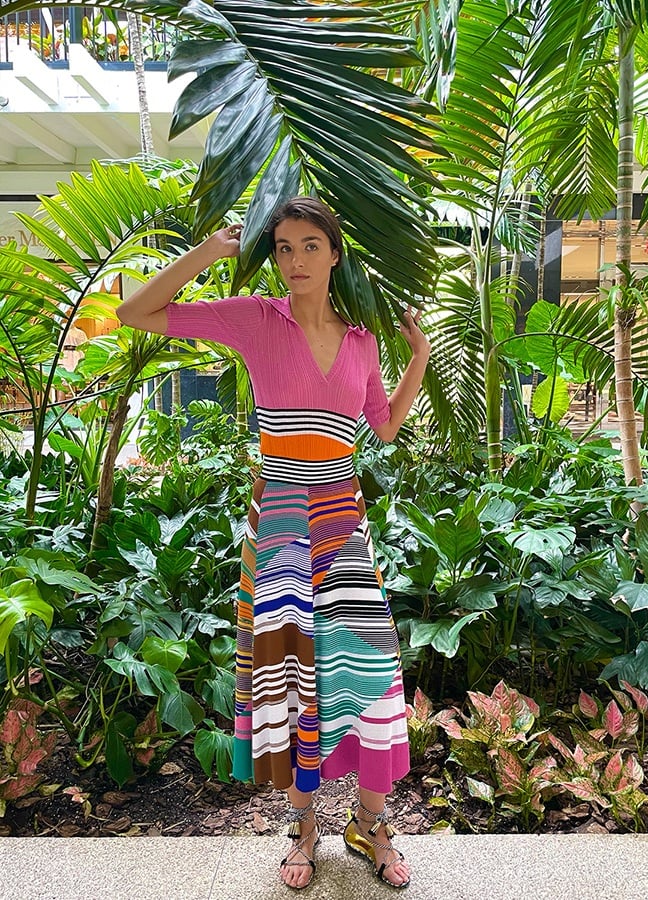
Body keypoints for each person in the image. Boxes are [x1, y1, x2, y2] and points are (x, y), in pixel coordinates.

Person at [116, 197, 430, 890]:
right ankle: (304, 829)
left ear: (335, 253)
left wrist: (421, 358)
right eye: (284, 248)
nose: (295, 261)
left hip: (345, 522)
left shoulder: (360, 341)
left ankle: (371, 823)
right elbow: (134, 312)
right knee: (293, 677)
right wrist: (209, 254)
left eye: (310, 246)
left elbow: (383, 427)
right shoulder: (258, 319)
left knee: (369, 677)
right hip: (282, 517)